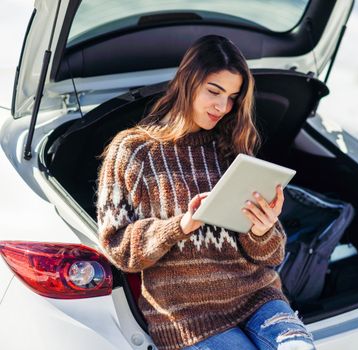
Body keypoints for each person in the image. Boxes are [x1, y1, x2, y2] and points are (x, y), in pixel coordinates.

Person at [96, 35, 316, 350]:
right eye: (214, 91)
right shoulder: (133, 151)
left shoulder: (232, 148)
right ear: (187, 82)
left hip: (257, 296)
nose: (223, 107)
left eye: (232, 97)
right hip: (187, 315)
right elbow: (118, 247)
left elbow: (272, 255)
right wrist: (180, 226)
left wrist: (262, 229)